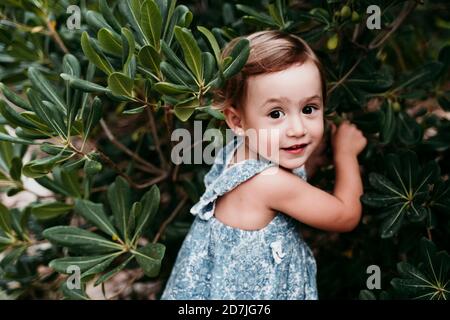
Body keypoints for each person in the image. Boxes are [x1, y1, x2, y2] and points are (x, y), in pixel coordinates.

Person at [161, 30, 367, 300]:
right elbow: (345, 216)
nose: (297, 129)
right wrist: (345, 154)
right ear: (236, 121)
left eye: (309, 109)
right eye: (276, 114)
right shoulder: (269, 183)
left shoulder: (239, 152)